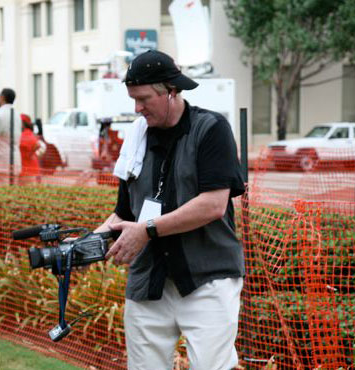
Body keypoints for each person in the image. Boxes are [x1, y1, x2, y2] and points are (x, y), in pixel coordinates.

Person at [94, 50, 245, 370]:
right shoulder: (136, 138)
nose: (137, 108)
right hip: (149, 282)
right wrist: (83, 245)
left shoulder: (211, 128)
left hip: (209, 278)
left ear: (172, 90)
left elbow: (213, 205)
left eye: (144, 98)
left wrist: (147, 231)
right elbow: (123, 214)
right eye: (133, 99)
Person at [0, 88, 22, 178]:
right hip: (15, 161)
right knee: (12, 190)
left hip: (1, 163)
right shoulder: (17, 115)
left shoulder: (0, 115)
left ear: (2, 98)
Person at [19, 114, 46, 185]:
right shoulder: (28, 133)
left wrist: (30, 154)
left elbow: (37, 145)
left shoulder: (26, 132)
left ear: (23, 123)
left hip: (27, 171)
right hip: (30, 169)